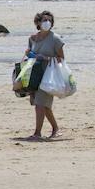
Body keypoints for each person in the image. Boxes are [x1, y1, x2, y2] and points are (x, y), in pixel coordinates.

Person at [26, 11, 64, 140]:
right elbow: (30, 54)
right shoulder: (32, 39)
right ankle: (56, 129)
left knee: (40, 104)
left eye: (49, 20)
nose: (47, 22)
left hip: (48, 75)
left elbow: (61, 58)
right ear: (38, 22)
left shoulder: (55, 39)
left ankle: (37, 133)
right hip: (34, 75)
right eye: (44, 20)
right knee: (44, 105)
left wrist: (46, 58)